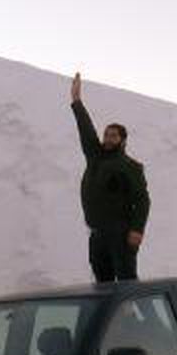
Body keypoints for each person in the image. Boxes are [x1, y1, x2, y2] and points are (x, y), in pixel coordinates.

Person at [70, 72, 151, 282]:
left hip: (120, 233)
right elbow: (86, 131)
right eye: (106, 134)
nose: (107, 138)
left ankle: (139, 315)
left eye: (113, 136)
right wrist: (77, 102)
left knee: (126, 280)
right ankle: (113, 315)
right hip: (97, 233)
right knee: (102, 281)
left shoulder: (130, 166)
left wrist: (136, 230)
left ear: (123, 141)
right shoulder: (95, 156)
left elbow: (142, 200)